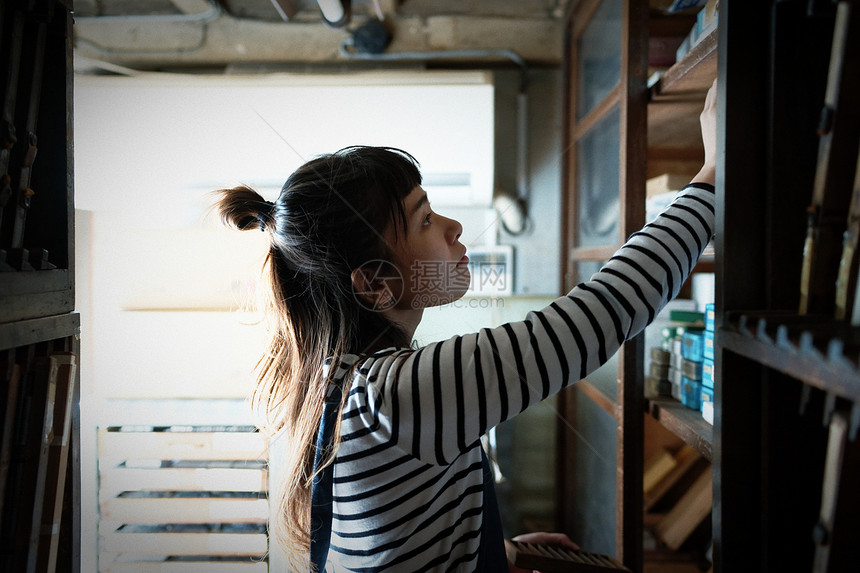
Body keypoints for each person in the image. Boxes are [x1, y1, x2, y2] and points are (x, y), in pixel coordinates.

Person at [213, 80, 718, 572]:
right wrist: (712, 177)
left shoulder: (342, 379)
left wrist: (497, 549)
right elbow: (601, 315)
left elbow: (397, 533)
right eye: (425, 220)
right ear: (373, 284)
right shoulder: (396, 393)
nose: (453, 227)